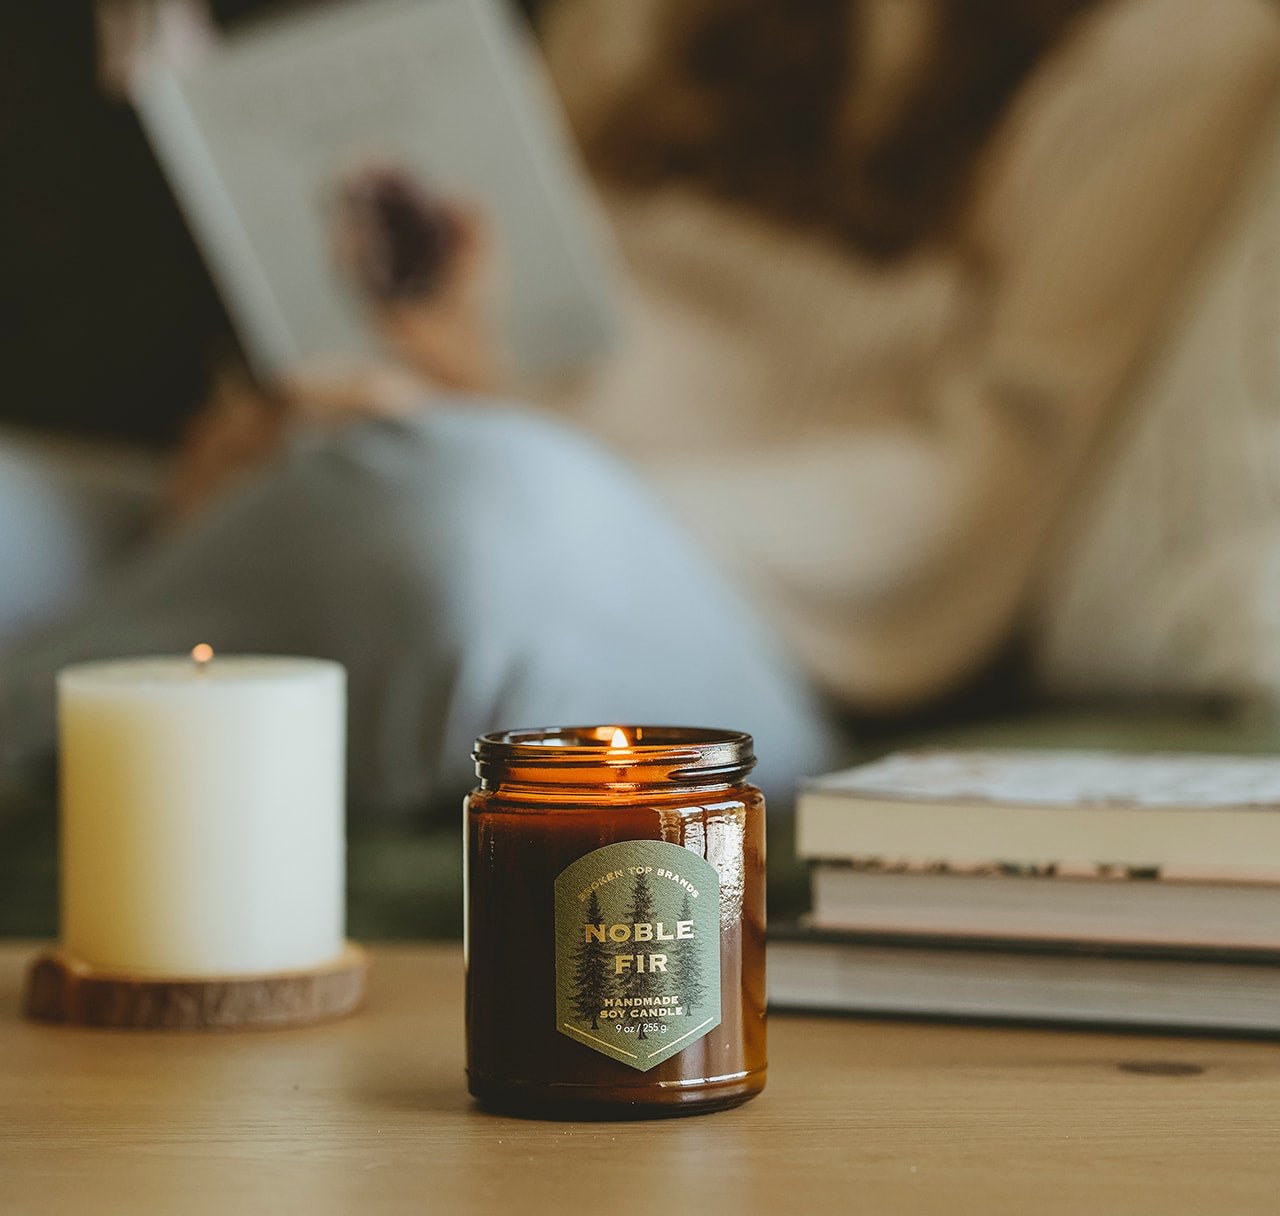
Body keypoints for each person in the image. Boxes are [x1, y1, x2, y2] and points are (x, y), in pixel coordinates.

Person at [2, 0, 1278, 810]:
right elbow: (497, 329)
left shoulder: (1176, 37)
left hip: (759, 607)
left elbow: (970, 491)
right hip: (438, 450)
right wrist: (289, 416)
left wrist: (496, 441)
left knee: (474, 533)